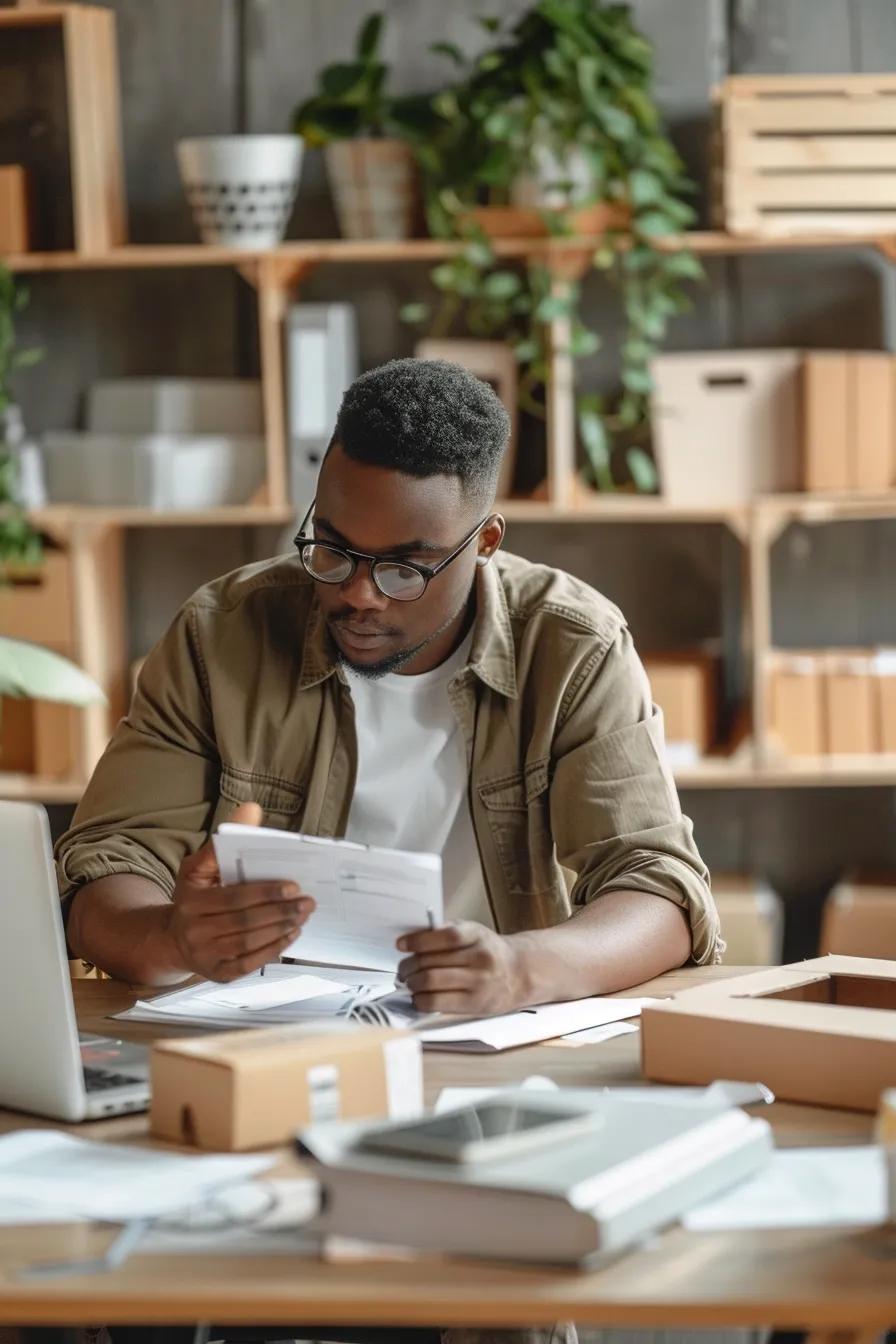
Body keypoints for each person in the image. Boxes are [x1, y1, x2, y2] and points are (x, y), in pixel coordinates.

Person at [57, 358, 721, 1344]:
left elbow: (659, 888)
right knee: (149, 1289)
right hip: (256, 1063)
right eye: (332, 546)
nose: (359, 593)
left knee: (494, 1302)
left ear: (484, 543)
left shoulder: (569, 644)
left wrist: (521, 968)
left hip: (480, 1073)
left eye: (405, 564)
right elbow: (104, 863)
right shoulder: (223, 632)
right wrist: (169, 936)